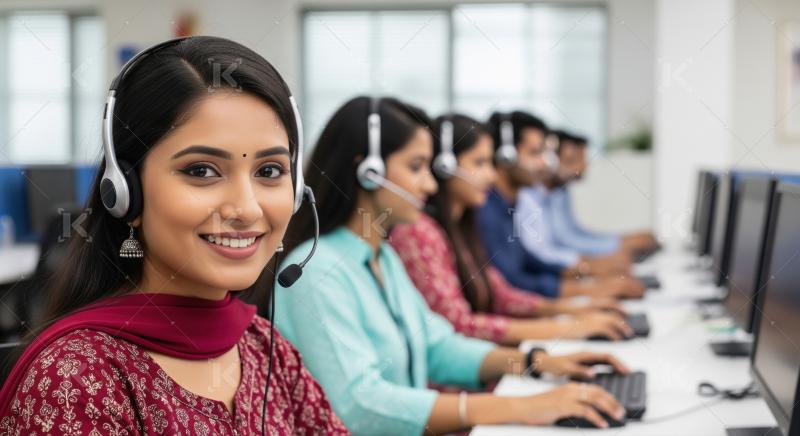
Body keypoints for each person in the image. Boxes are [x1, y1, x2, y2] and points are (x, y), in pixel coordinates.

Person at [0, 36, 348, 435]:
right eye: (201, 171)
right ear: (124, 193)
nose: (248, 209)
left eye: (269, 171)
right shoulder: (78, 377)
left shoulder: (265, 348)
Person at [275, 97, 631, 435]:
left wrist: (535, 362)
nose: (431, 183)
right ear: (368, 171)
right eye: (416, 167)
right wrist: (520, 407)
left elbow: (437, 347)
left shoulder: (381, 256)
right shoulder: (318, 273)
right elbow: (358, 405)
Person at [390, 114, 632, 345]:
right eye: (480, 163)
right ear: (445, 166)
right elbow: (459, 326)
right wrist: (569, 326)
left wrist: (580, 311)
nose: (492, 175)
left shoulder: (464, 223)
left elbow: (502, 293)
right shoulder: (422, 232)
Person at [477, 111, 645, 299]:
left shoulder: (508, 204)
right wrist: (587, 286)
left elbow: (529, 261)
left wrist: (586, 273)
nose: (545, 164)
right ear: (505, 157)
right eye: (535, 153)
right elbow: (512, 280)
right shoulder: (487, 211)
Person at [544, 130, 659, 257]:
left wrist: (621, 240)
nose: (582, 167)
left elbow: (576, 232)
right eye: (572, 160)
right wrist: (621, 244)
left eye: (584, 160)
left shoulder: (560, 192)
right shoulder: (544, 194)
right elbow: (565, 240)